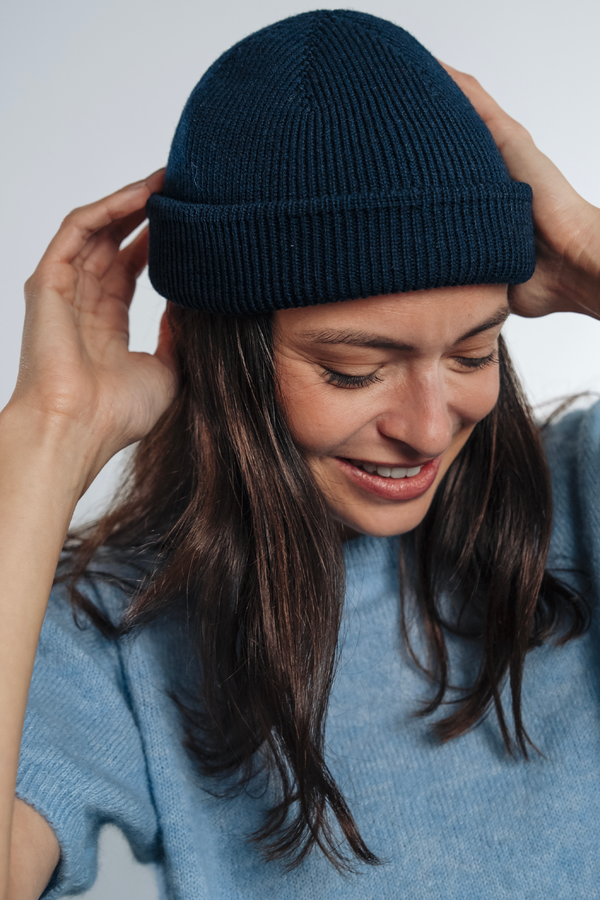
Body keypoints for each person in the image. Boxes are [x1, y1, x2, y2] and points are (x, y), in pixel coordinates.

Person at [2, 9, 600, 899]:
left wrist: (594, 256)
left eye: (474, 353)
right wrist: (47, 432)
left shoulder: (580, 495)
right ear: (227, 361)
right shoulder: (113, 633)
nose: (430, 427)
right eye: (356, 371)